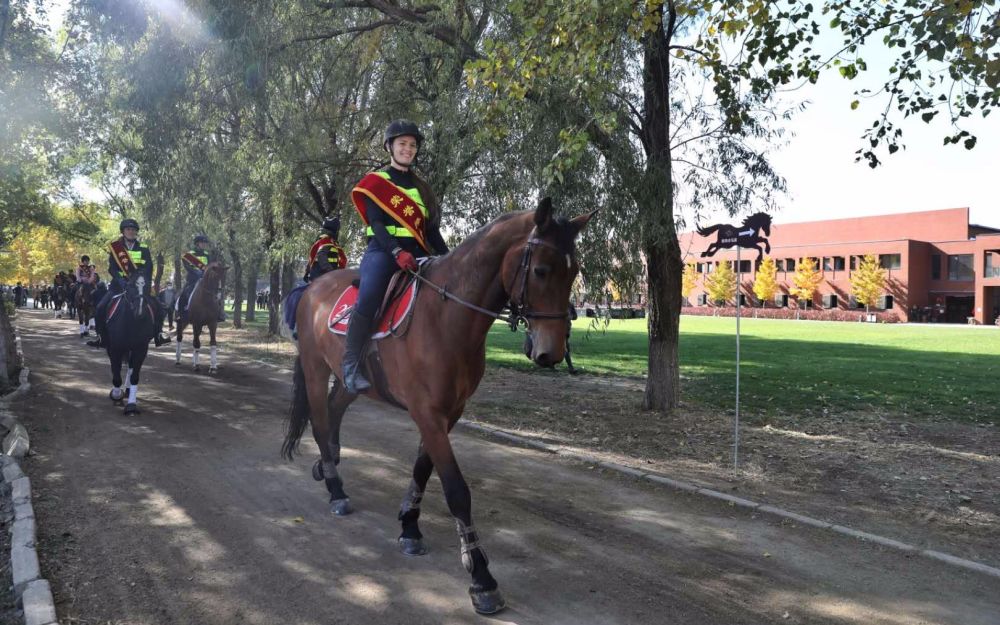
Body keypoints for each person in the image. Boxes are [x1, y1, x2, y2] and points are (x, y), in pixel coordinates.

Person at [343, 120, 449, 393]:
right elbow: (377, 225)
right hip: (383, 252)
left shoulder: (422, 188)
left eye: (412, 145)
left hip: (419, 255)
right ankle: (351, 365)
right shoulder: (375, 183)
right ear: (389, 147)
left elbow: (431, 231)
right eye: (402, 143)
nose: (408, 149)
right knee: (369, 297)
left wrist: (451, 258)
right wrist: (396, 251)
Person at [89, 218, 170, 348]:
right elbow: (112, 268)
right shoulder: (116, 248)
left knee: (159, 307)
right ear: (123, 231)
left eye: (133, 229)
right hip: (119, 286)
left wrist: (144, 282)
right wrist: (121, 281)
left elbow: (148, 267)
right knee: (100, 307)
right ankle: (100, 337)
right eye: (128, 229)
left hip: (139, 286)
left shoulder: (143, 248)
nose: (131, 231)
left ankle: (158, 334)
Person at [177, 234, 225, 322]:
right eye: (202, 243)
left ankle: (219, 313)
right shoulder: (189, 255)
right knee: (184, 294)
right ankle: (181, 314)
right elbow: (187, 267)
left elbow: (210, 267)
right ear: (197, 244)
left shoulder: (207, 255)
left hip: (205, 279)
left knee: (215, 293)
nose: (204, 244)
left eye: (205, 243)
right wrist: (196, 272)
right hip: (192, 279)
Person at [304, 216, 348, 282]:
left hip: (319, 276)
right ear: (335, 230)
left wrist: (307, 272)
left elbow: (312, 258)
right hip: (322, 277)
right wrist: (332, 272)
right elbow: (321, 256)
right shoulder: (326, 241)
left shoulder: (322, 241)